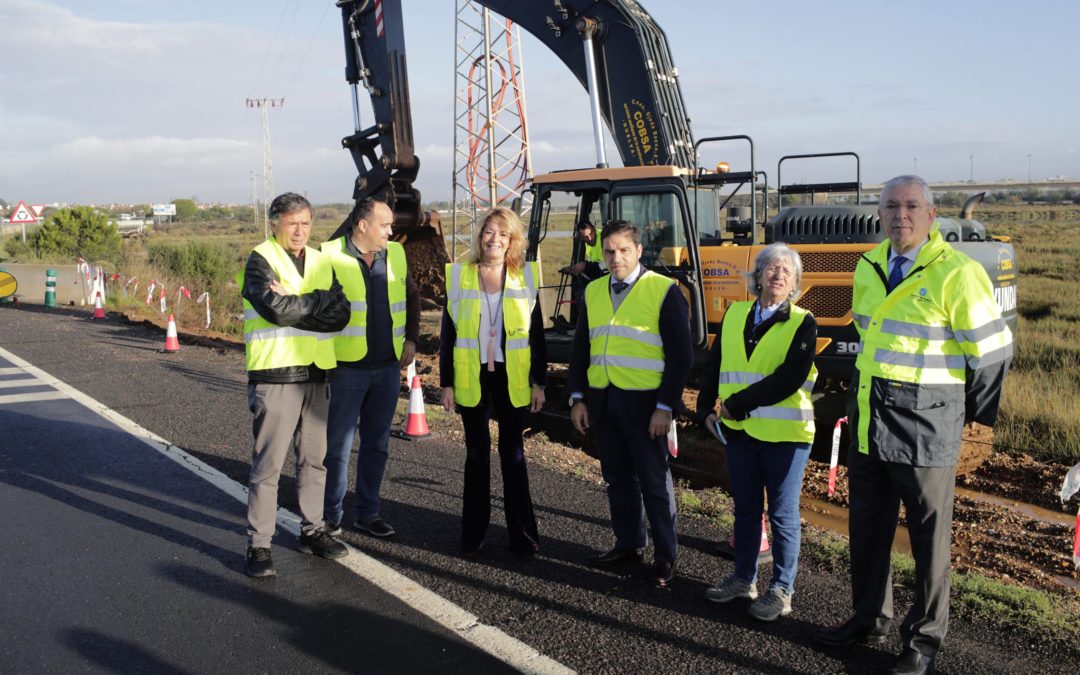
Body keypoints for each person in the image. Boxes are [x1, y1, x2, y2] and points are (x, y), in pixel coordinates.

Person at [815, 176, 1012, 675]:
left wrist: (972, 421)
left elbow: (991, 356)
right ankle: (868, 618)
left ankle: (923, 640)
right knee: (867, 529)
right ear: (878, 214)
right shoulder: (868, 266)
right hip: (868, 422)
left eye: (911, 206)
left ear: (932, 213)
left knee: (928, 542)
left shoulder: (957, 273)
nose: (900, 214)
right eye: (891, 206)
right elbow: (869, 341)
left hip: (927, 427)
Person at [695, 243, 817, 621]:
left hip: (786, 436)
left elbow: (790, 378)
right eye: (771, 268)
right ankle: (744, 578)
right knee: (746, 509)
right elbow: (714, 366)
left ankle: (782, 590)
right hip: (741, 433)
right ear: (758, 275)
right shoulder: (734, 315)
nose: (778, 274)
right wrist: (704, 409)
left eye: (787, 270)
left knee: (782, 514)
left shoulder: (803, 321)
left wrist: (736, 404)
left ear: (795, 281)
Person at [568, 219, 692, 588]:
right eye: (609, 251)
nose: (616, 257)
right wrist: (577, 397)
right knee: (618, 479)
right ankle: (629, 542)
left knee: (654, 483)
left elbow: (681, 357)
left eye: (624, 250)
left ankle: (666, 557)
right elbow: (581, 350)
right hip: (604, 400)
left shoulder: (664, 290)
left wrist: (665, 407)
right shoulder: (593, 291)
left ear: (639, 251)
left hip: (646, 406)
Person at [240, 192, 351, 578]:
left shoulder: (321, 261)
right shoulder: (261, 260)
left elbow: (340, 316)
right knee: (268, 467)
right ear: (274, 224)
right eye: (292, 223)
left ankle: (313, 530)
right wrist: (317, 303)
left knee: (314, 461)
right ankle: (259, 545)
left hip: (317, 374)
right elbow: (273, 309)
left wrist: (307, 300)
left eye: (306, 223)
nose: (300, 231)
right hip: (277, 375)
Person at [439, 208, 547, 558]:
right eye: (488, 232)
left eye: (503, 234)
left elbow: (537, 339)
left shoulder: (525, 278)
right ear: (479, 236)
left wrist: (539, 382)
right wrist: (447, 383)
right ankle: (473, 536)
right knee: (476, 456)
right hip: (472, 376)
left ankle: (524, 537)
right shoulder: (459, 277)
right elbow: (447, 334)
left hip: (511, 378)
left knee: (513, 457)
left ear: (513, 240)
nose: (494, 239)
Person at [320, 198, 421, 539]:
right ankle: (329, 517)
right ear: (362, 225)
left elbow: (411, 297)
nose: (391, 231)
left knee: (377, 444)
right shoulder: (328, 255)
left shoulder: (395, 254)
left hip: (388, 366)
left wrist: (411, 339)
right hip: (345, 368)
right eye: (385, 225)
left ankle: (367, 512)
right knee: (337, 446)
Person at [562, 220, 606, 324]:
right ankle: (579, 321)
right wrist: (576, 268)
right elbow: (593, 261)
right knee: (577, 283)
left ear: (594, 229)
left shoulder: (604, 238)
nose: (589, 239)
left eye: (590, 234)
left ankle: (584, 322)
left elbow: (606, 264)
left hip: (606, 275)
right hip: (598, 274)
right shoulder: (588, 244)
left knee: (583, 289)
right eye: (585, 237)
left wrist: (585, 266)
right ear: (581, 238)